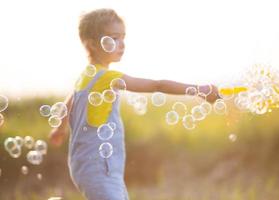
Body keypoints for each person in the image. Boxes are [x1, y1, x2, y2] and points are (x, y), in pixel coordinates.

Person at [49, 8, 219, 200]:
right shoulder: (108, 77)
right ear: (92, 45)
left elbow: (68, 102)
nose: (122, 44)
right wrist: (198, 90)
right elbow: (158, 85)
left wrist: (59, 129)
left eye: (123, 38)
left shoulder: (86, 76)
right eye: (114, 38)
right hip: (99, 167)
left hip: (85, 165)